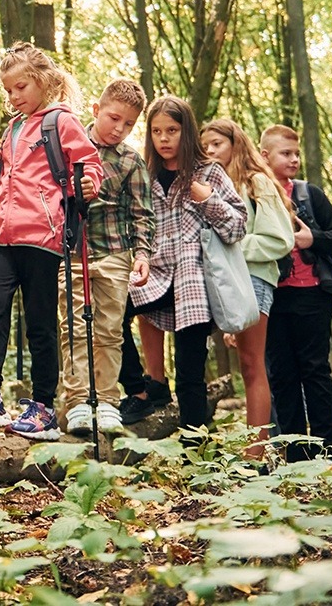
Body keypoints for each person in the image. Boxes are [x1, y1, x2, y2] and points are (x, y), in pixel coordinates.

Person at [0, 42, 103, 441]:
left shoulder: (61, 122)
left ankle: (42, 406)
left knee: (40, 324)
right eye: (8, 91)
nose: (13, 96)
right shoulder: (12, 130)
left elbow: (89, 163)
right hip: (2, 237)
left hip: (43, 237)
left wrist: (89, 184)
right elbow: (0, 185)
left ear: (42, 81)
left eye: (20, 87)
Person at [120, 96, 247, 432]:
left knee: (191, 376)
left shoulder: (210, 172)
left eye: (172, 130)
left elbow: (237, 227)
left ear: (186, 131)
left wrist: (209, 201)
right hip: (154, 275)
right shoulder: (143, 174)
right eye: (157, 131)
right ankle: (144, 389)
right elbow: (130, 224)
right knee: (109, 313)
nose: (164, 138)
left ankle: (194, 448)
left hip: (195, 285)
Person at [59, 79, 155, 436]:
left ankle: (108, 401)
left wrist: (142, 254)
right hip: (71, 253)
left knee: (110, 330)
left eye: (129, 124)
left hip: (115, 254)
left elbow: (142, 213)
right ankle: (79, 401)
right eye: (114, 118)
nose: (120, 128)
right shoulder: (68, 147)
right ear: (96, 111)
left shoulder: (131, 160)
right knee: (73, 327)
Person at [201, 118, 295, 460]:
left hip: (253, 279)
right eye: (205, 146)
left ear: (235, 144)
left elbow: (280, 240)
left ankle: (256, 454)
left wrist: (234, 244)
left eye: (217, 144)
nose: (210, 151)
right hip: (218, 282)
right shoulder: (207, 186)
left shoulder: (257, 183)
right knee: (232, 361)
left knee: (252, 364)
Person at [259, 124, 332, 461]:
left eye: (296, 153)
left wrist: (312, 238)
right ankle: (297, 457)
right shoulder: (253, 195)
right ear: (265, 156)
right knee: (282, 375)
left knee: (315, 370)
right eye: (286, 154)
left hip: (313, 295)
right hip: (271, 297)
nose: (294, 159)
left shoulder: (308, 193)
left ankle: (328, 452)